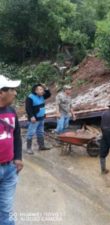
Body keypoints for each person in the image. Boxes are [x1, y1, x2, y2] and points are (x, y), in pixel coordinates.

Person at [0, 75, 23, 225]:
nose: (15, 93)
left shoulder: (11, 111)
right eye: (12, 89)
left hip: (9, 168)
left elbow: (16, 135)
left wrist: (18, 157)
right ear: (1, 92)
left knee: (6, 211)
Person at [25, 83, 51, 154]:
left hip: (41, 118)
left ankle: (41, 146)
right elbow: (28, 108)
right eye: (40, 89)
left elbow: (49, 94)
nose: (42, 91)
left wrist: (46, 88)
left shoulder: (42, 96)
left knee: (40, 132)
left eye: (42, 89)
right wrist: (31, 116)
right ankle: (28, 148)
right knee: (31, 133)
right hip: (34, 119)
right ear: (35, 91)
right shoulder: (30, 97)